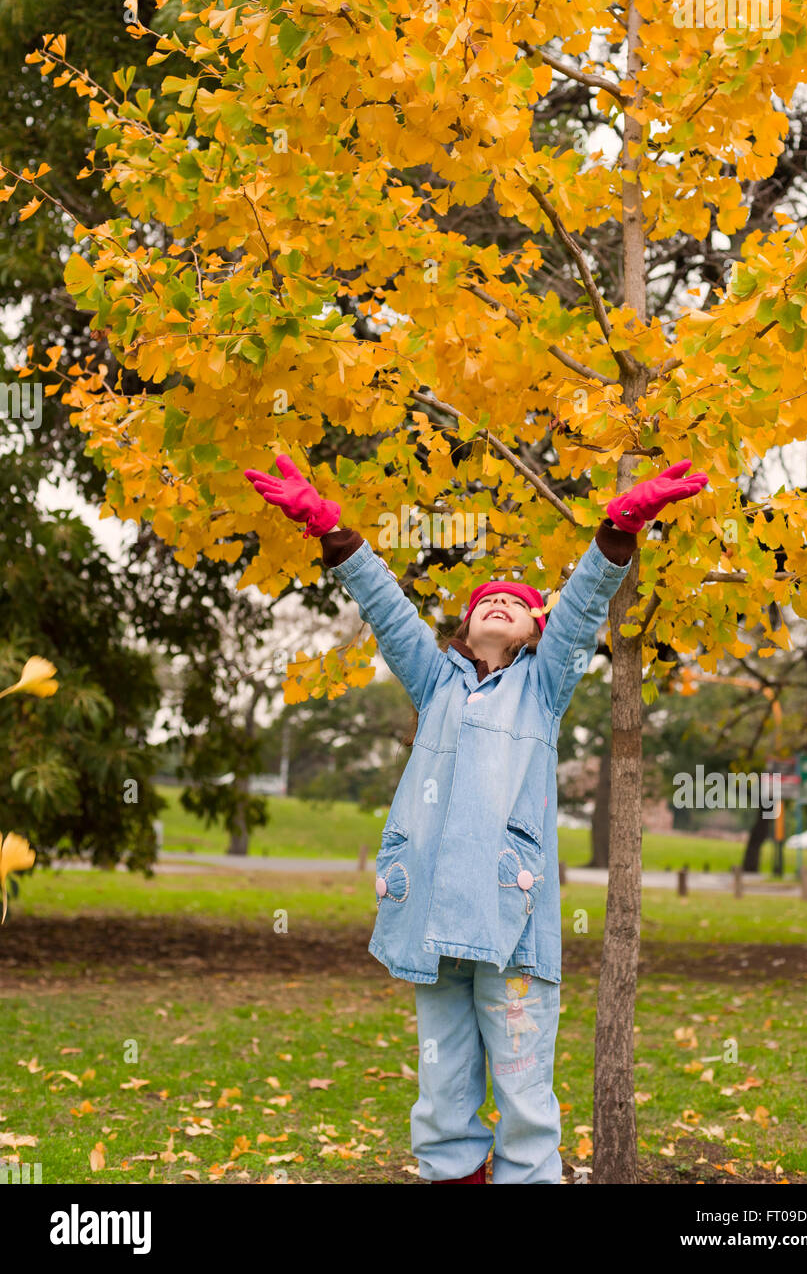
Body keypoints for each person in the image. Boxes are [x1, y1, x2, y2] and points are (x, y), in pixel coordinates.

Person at [244, 454, 708, 1184]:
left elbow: (584, 604)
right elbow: (387, 610)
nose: (498, 602)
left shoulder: (544, 686)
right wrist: (335, 534)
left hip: (512, 925)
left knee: (523, 1090)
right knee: (444, 1084)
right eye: (485, 598)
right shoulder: (434, 683)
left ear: (533, 631)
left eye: (515, 602)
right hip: (429, 920)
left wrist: (618, 527)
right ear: (463, 625)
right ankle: (451, 1175)